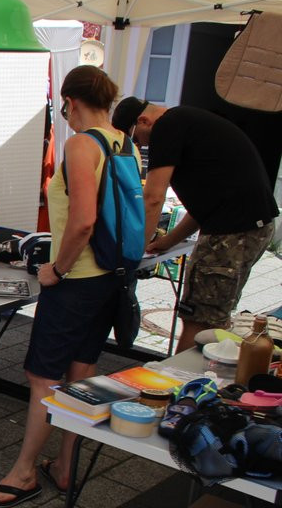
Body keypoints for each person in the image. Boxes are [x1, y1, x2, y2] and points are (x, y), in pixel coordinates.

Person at [0, 66, 141, 508]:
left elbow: (84, 220)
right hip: (110, 278)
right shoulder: (123, 142)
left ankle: (24, 472)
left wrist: (58, 270)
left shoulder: (80, 143)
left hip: (78, 280)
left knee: (42, 378)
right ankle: (66, 466)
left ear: (70, 101)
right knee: (80, 374)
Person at [112, 97, 279, 353]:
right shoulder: (189, 121)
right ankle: (197, 376)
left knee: (199, 318)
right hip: (248, 227)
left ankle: (181, 383)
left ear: (143, 121)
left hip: (233, 232)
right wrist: (168, 241)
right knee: (211, 313)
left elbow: (153, 197)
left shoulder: (167, 127)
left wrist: (136, 250)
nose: (140, 145)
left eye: (136, 138)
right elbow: (206, 206)